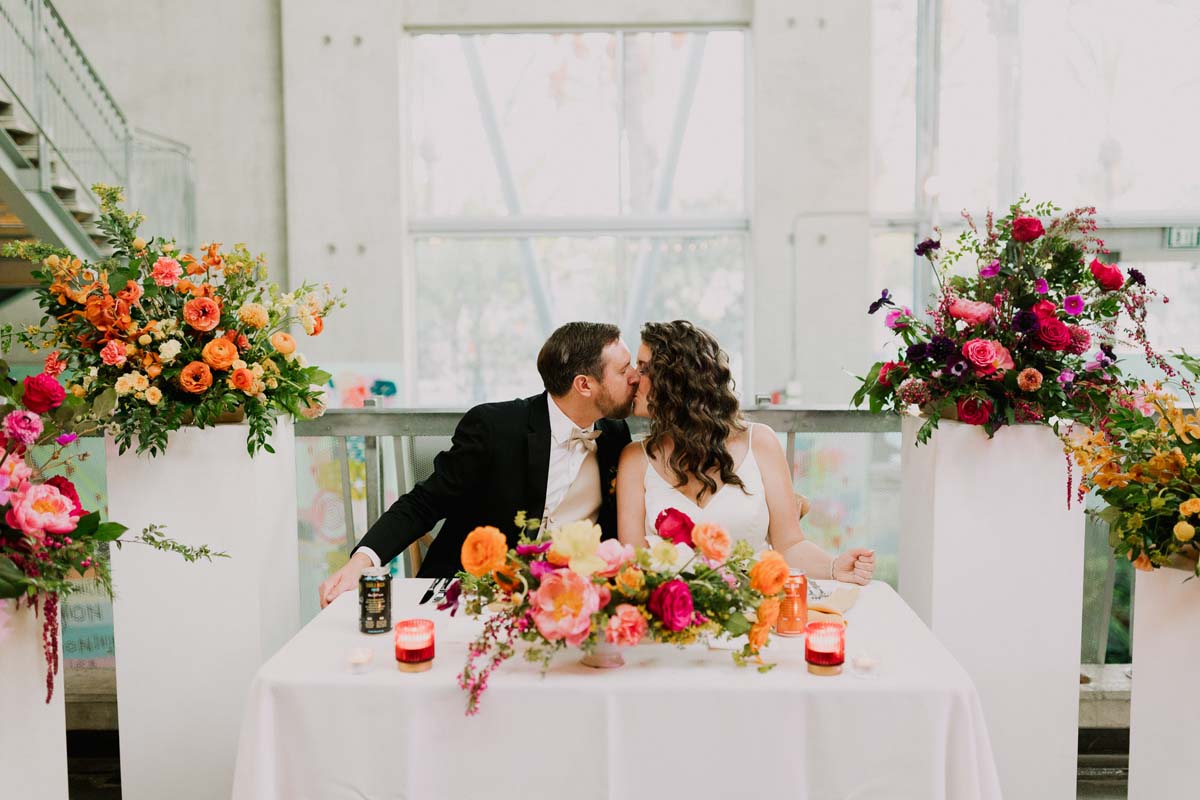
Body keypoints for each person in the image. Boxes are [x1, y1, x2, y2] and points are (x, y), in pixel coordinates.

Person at [319, 322, 638, 607]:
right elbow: (424, 503)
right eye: (624, 370)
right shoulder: (494, 428)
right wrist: (361, 561)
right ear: (584, 385)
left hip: (569, 600)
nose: (636, 376)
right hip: (476, 593)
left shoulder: (613, 434)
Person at [616, 320, 875, 584]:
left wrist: (834, 567)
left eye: (645, 368)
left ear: (678, 381)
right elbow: (634, 567)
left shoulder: (760, 442)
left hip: (757, 607)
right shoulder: (635, 460)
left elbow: (790, 545)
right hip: (677, 618)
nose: (634, 378)